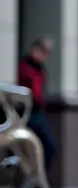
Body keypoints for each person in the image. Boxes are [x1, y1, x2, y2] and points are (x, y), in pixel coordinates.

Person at [16, 36, 57, 173]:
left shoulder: (40, 69)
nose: (44, 55)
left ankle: (39, 175)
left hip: (38, 111)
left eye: (47, 53)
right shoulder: (24, 67)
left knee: (47, 147)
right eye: (43, 51)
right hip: (26, 111)